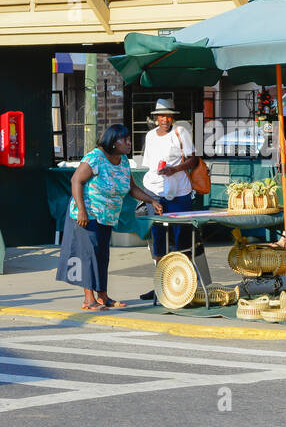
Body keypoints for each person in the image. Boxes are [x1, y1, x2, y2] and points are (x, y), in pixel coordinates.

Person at [57, 124, 163, 310]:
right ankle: (88, 299)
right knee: (88, 255)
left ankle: (102, 296)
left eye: (129, 139)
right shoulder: (96, 158)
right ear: (113, 142)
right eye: (125, 139)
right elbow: (76, 180)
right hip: (86, 214)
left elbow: (132, 188)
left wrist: (151, 201)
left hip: (107, 216)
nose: (129, 143)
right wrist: (82, 210)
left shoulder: (123, 161)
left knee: (102, 256)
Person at [140, 99, 197, 259]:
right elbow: (150, 164)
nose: (165, 119)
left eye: (168, 116)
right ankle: (162, 271)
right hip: (155, 190)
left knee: (182, 232)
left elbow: (194, 160)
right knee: (157, 231)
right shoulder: (150, 136)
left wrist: (175, 169)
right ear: (156, 118)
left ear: (173, 118)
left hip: (179, 191)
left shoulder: (180, 132)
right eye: (161, 116)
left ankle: (185, 269)